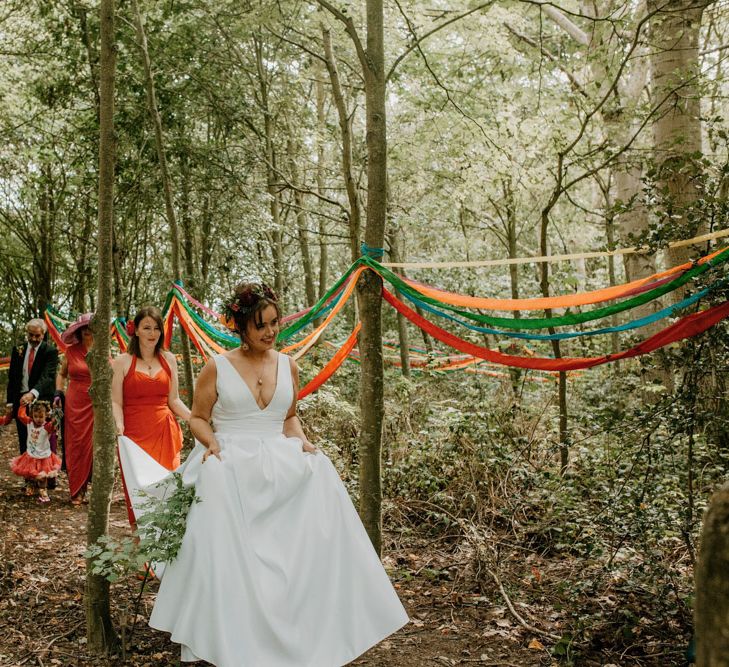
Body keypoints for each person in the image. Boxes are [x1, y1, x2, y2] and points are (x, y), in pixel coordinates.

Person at [118, 283, 408, 667]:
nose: (271, 332)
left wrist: (303, 443)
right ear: (241, 327)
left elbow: (288, 418)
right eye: (260, 326)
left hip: (278, 461)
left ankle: (307, 621)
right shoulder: (216, 367)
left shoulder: (289, 364)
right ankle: (229, 631)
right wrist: (213, 446)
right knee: (217, 496)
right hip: (231, 460)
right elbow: (200, 420)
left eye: (274, 324)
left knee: (320, 480)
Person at [112, 306, 191, 524]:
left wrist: (195, 418)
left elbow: (173, 400)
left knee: (168, 490)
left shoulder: (169, 359)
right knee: (139, 496)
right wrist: (119, 425)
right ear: (135, 330)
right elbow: (116, 401)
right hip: (135, 437)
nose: (152, 333)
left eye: (156, 328)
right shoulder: (121, 362)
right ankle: (142, 554)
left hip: (165, 432)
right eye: (146, 328)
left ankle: (167, 552)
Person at [56, 313, 95, 505]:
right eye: (84, 328)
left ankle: (88, 487)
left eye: (91, 327)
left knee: (92, 446)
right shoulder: (70, 352)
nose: (87, 331)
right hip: (75, 401)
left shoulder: (103, 351)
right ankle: (76, 491)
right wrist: (57, 392)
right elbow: (62, 374)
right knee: (75, 443)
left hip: (96, 402)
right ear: (79, 331)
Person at [7, 318, 59, 455]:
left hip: (42, 401)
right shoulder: (18, 350)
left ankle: (45, 474)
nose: (34, 338)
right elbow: (12, 377)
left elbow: (48, 376)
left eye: (37, 335)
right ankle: (27, 474)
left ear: (43, 334)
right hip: (21, 401)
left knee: (42, 441)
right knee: (24, 439)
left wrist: (33, 393)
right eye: (31, 335)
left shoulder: (50, 351)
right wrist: (10, 403)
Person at [8, 402, 62, 503]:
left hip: (43, 457)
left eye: (41, 416)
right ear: (32, 415)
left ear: (46, 415)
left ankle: (43, 491)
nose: (38, 419)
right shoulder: (29, 422)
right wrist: (23, 405)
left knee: (42, 476)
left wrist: (57, 410)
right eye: (35, 416)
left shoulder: (47, 427)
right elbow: (21, 415)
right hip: (31, 455)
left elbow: (56, 422)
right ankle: (30, 485)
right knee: (29, 472)